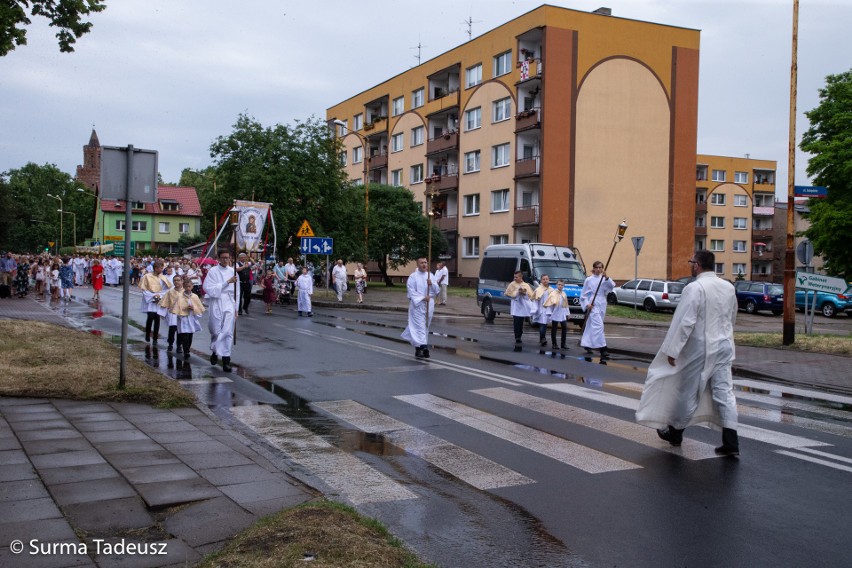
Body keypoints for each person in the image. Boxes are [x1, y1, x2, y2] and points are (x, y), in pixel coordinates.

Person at [636, 250, 740, 456]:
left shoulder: (695, 288)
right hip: (725, 345)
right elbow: (732, 315)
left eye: (692, 262)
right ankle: (731, 441)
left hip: (701, 348)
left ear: (698, 265)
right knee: (724, 393)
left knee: (687, 391)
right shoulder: (728, 287)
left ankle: (675, 433)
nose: (691, 265)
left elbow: (685, 321)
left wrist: (673, 350)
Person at [203, 249, 240, 372]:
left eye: (227, 257)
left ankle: (226, 360)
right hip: (217, 302)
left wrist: (236, 308)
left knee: (228, 332)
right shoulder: (213, 271)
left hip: (229, 302)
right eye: (223, 257)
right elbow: (208, 288)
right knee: (216, 330)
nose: (225, 260)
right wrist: (226, 282)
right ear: (218, 258)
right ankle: (214, 350)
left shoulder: (233, 272)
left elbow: (237, 292)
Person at [401, 257, 440, 358]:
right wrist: (422, 297)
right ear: (417, 265)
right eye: (422, 263)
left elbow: (437, 290)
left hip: (429, 304)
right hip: (417, 305)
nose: (424, 264)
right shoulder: (413, 277)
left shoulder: (430, 275)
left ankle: (418, 349)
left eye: (425, 263)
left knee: (425, 326)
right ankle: (424, 346)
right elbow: (411, 291)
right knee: (420, 326)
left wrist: (431, 284)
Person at [580, 260, 615, 359]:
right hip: (593, 303)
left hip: (602, 302)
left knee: (592, 325)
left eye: (600, 267)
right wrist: (587, 304)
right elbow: (583, 295)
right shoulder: (589, 280)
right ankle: (603, 349)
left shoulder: (604, 279)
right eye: (597, 267)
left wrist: (607, 278)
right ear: (593, 268)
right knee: (598, 325)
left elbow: (612, 286)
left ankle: (587, 344)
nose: (599, 269)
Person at [139, 259, 171, 343]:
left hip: (159, 300)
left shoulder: (163, 277)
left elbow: (167, 290)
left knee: (157, 319)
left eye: (162, 268)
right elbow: (144, 289)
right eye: (159, 268)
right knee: (150, 317)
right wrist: (153, 296)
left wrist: (160, 296)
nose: (161, 270)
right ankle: (147, 334)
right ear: (155, 268)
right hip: (150, 299)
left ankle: (155, 337)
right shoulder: (147, 276)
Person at [173, 277, 205, 359]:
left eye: (189, 286)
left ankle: (188, 348)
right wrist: (184, 310)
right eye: (186, 286)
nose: (188, 288)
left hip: (191, 318)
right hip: (183, 319)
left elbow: (199, 309)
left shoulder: (194, 297)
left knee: (190, 336)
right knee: (185, 336)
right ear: (183, 286)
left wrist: (194, 308)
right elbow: (176, 308)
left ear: (192, 286)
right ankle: (186, 351)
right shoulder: (180, 297)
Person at [504, 271, 534, 345]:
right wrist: (516, 293)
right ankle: (517, 337)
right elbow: (507, 293)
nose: (515, 278)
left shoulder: (525, 285)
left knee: (520, 321)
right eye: (514, 277)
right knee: (516, 321)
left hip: (523, 306)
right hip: (516, 305)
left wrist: (524, 293)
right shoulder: (512, 284)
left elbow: (531, 295)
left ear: (521, 277)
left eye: (516, 277)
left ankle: (520, 334)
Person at [159, 275, 184, 352]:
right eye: (175, 280)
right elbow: (165, 302)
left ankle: (179, 345)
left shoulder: (185, 292)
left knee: (180, 330)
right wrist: (162, 313)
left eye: (178, 280)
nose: (176, 282)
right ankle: (170, 344)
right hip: (172, 313)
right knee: (172, 330)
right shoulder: (170, 292)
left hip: (182, 314)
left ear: (182, 281)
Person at [544, 279, 570, 350]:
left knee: (564, 328)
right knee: (554, 328)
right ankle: (554, 344)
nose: (560, 286)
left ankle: (563, 343)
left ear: (563, 286)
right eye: (559, 285)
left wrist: (568, 313)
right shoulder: (553, 294)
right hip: (555, 313)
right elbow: (550, 304)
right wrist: (549, 313)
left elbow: (566, 304)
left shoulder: (564, 294)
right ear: (556, 285)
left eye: (562, 285)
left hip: (562, 313)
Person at [532, 274, 552, 347]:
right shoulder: (538, 289)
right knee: (542, 324)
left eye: (546, 279)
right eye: (543, 279)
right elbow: (535, 299)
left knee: (545, 324)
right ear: (541, 280)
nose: (545, 280)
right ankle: (543, 338)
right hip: (541, 309)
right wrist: (535, 309)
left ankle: (541, 338)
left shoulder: (551, 290)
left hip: (548, 310)